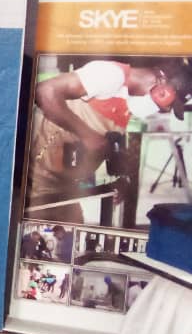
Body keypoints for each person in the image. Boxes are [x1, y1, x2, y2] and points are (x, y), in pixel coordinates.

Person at [26, 58, 191, 224]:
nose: (165, 109)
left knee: (74, 228)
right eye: (168, 103)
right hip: (32, 179)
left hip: (61, 188)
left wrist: (119, 179)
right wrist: (87, 135)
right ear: (161, 79)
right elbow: (45, 91)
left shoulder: (128, 103)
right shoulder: (111, 75)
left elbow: (103, 145)